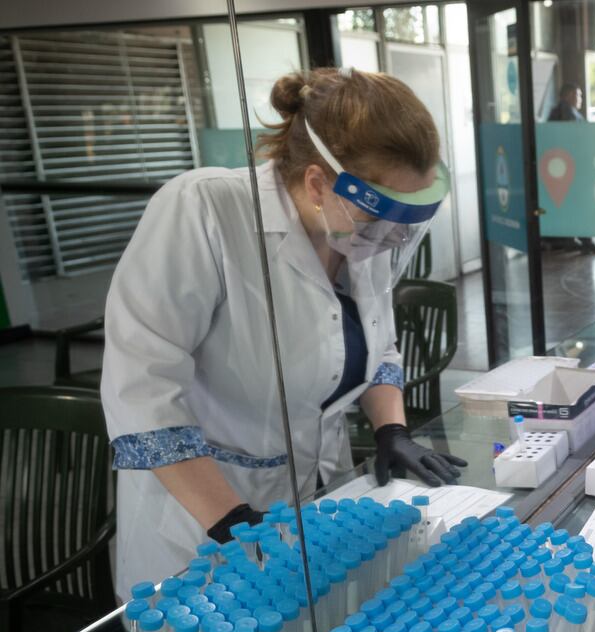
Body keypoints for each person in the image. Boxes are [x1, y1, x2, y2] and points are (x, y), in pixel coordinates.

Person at [101, 68, 467, 599]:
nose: (392, 240)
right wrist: (231, 520)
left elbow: (377, 344)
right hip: (204, 517)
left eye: (404, 221)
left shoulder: (356, 239)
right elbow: (140, 390)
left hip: (319, 498)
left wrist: (392, 428)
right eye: (378, 218)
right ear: (318, 182)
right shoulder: (205, 209)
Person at [545, 81, 595, 255]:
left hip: (566, 169)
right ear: (569, 95)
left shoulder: (562, 113)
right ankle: (579, 241)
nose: (580, 99)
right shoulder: (565, 113)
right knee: (578, 206)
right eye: (578, 95)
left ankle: (578, 241)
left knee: (574, 206)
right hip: (569, 169)